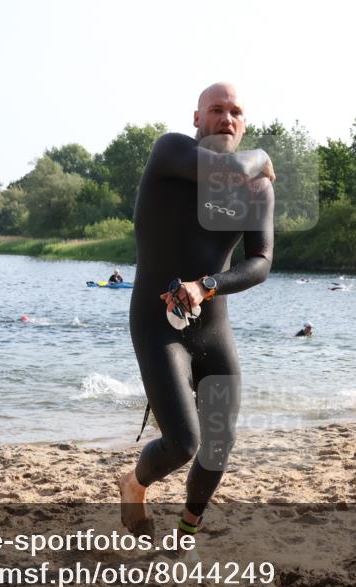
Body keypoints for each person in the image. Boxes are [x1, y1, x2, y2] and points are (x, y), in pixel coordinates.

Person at [118, 82, 275, 538]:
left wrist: (208, 285)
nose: (226, 118)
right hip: (156, 325)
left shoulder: (258, 190)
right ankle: (133, 483)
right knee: (185, 443)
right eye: (216, 110)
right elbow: (229, 169)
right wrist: (262, 155)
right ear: (196, 118)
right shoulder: (170, 152)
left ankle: (187, 529)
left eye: (236, 112)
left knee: (218, 446)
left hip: (212, 330)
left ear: (243, 124)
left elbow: (261, 262)